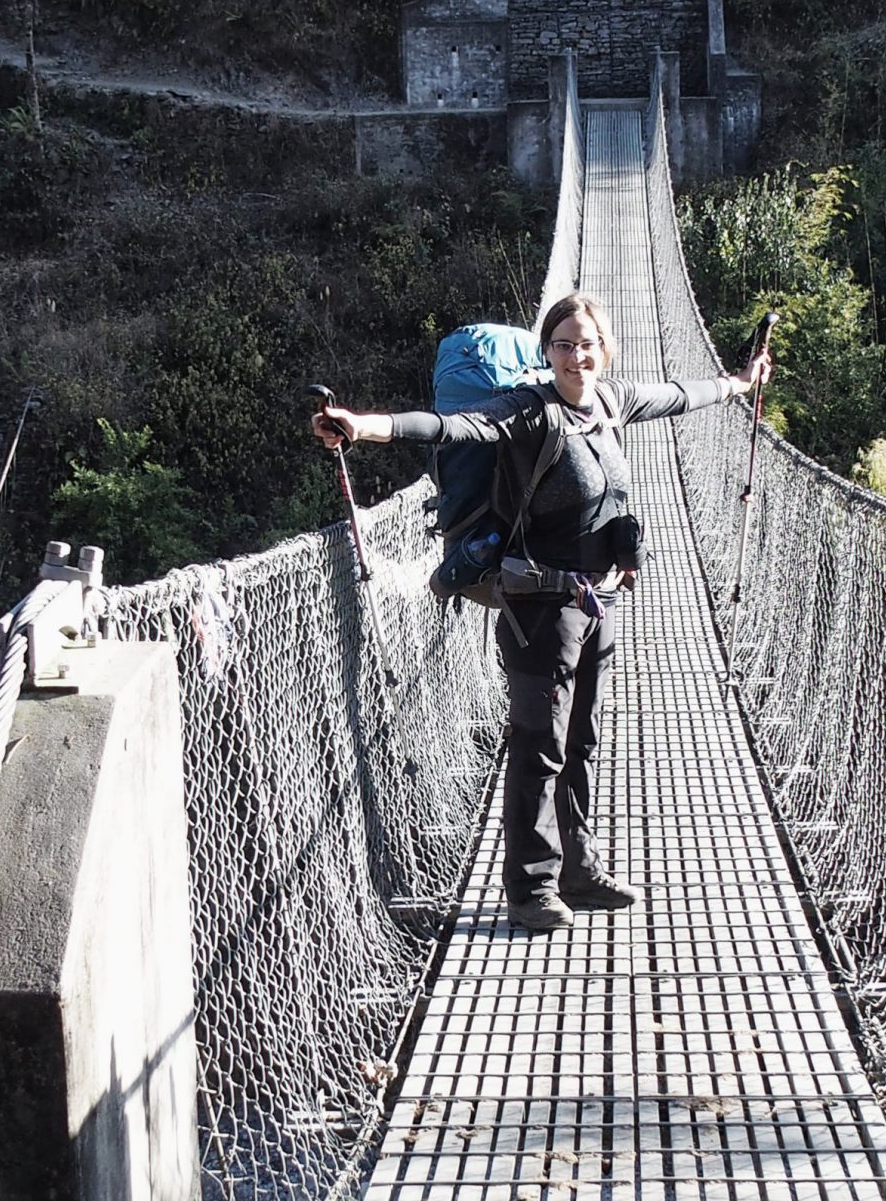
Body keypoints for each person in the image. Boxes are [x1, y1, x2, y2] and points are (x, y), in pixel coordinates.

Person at [312, 291, 770, 933]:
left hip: (597, 598)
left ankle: (578, 869)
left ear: (603, 349)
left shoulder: (609, 403)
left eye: (586, 343)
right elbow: (453, 427)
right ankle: (530, 889)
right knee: (540, 744)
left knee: (581, 741)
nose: (576, 354)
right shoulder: (529, 410)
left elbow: (675, 394)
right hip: (538, 607)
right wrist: (365, 425)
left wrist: (736, 384)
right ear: (545, 352)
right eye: (562, 344)